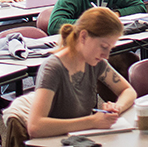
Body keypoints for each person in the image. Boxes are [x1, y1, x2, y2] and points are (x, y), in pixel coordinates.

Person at [27, 7, 137, 138]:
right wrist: (92, 121)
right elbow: (35, 127)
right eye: (103, 46)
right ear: (83, 36)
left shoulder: (95, 62)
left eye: (110, 49)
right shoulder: (53, 68)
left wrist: (117, 107)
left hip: (78, 138)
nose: (106, 55)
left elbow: (128, 91)